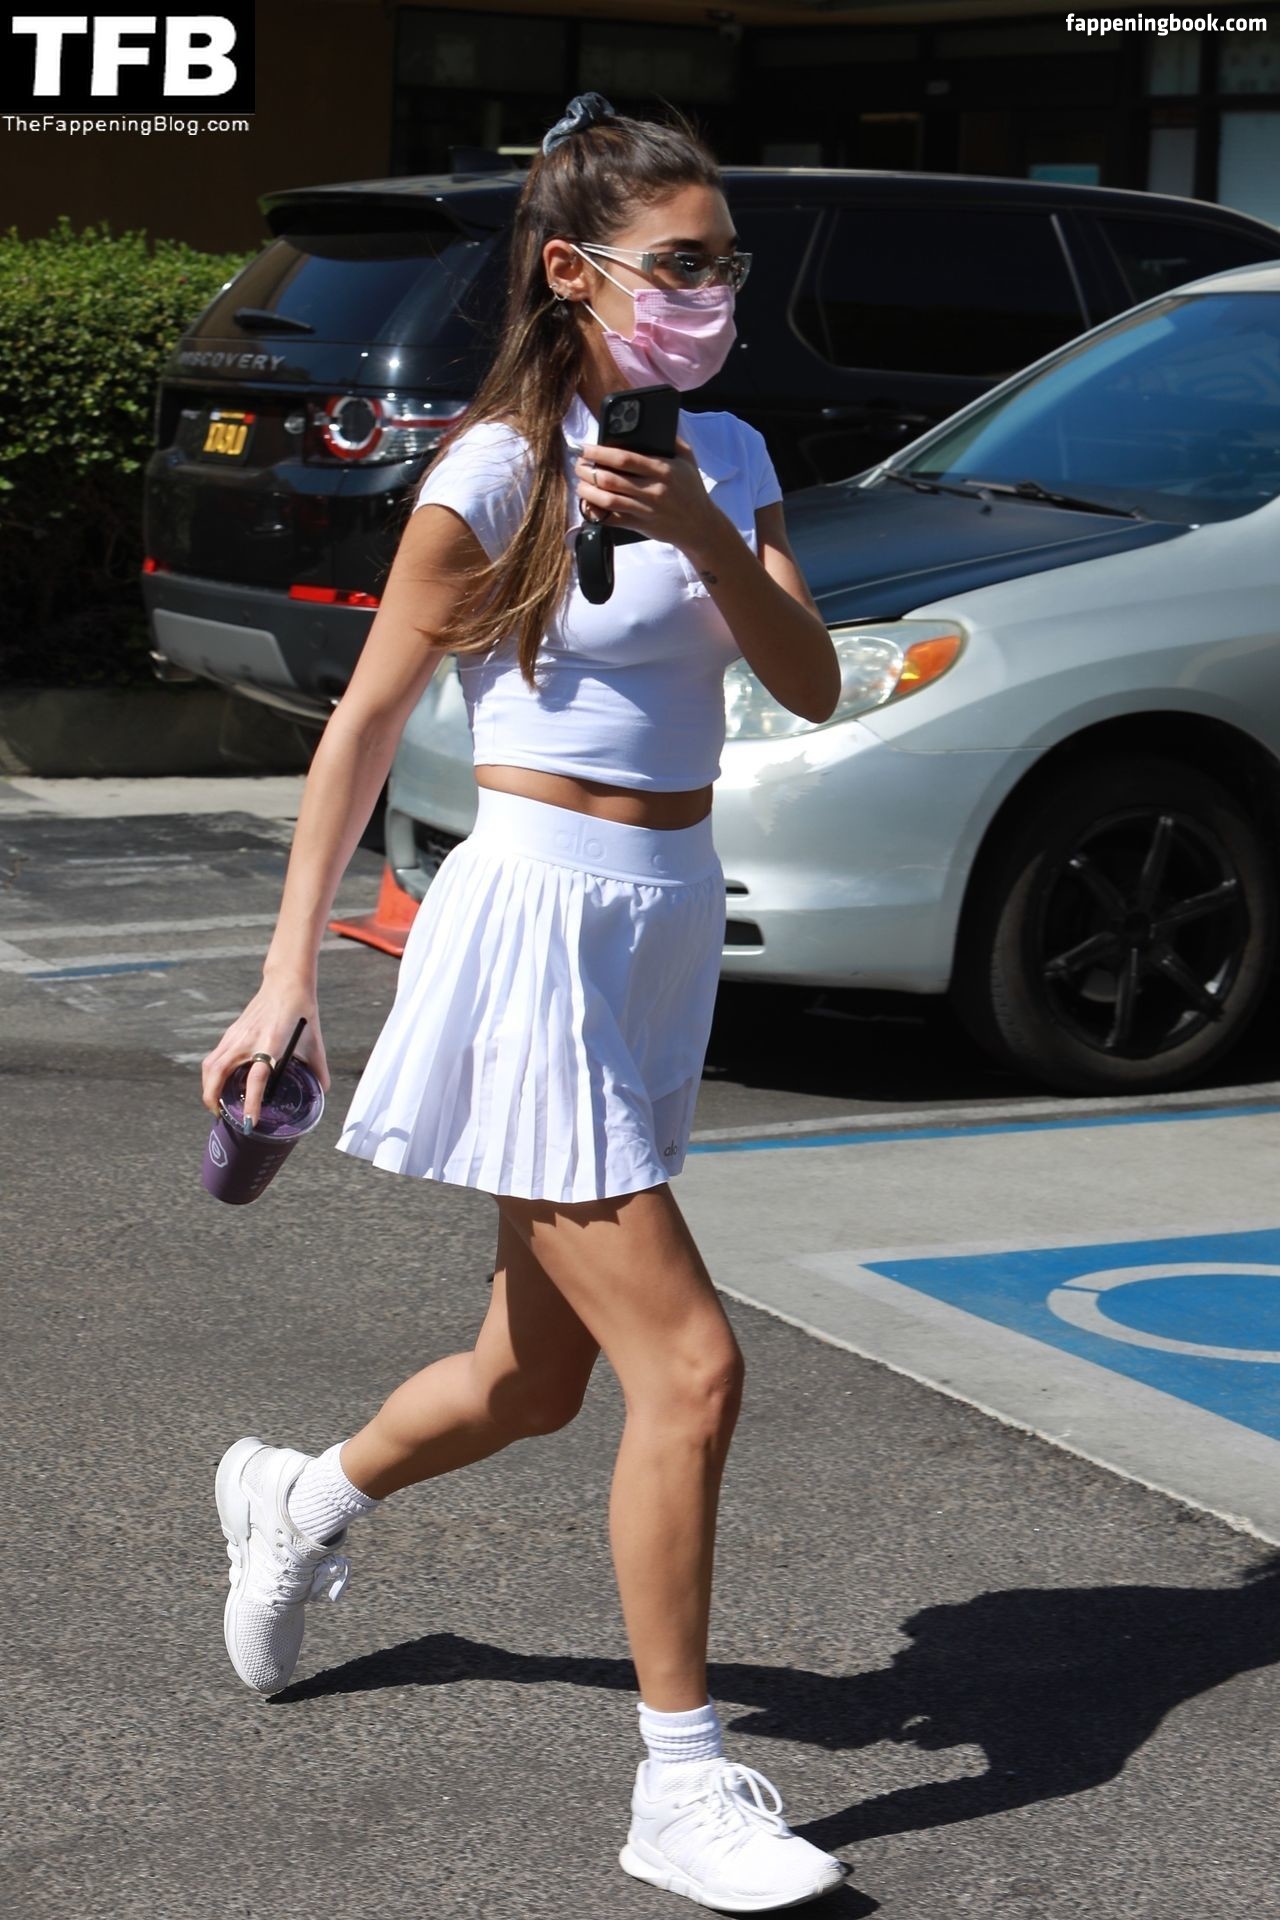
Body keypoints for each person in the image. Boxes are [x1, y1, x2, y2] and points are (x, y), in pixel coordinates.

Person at [201, 92, 847, 1913]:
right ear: (574, 272)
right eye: (682, 263)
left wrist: (704, 529)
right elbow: (361, 731)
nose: (715, 293)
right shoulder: (492, 471)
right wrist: (286, 978)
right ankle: (680, 1785)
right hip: (540, 925)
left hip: (662, 923)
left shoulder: (728, 449)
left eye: (728, 262)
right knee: (690, 1367)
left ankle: (302, 1498)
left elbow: (803, 682)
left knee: (532, 1378)